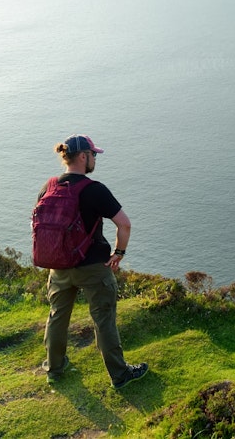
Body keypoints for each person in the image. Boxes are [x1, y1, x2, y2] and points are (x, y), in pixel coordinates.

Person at [39, 134, 149, 389]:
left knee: (57, 317)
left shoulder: (49, 186)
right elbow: (124, 224)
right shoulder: (93, 189)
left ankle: (55, 368)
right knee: (104, 319)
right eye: (93, 155)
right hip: (92, 268)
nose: (95, 159)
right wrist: (119, 254)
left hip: (59, 267)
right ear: (82, 157)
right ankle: (120, 375)